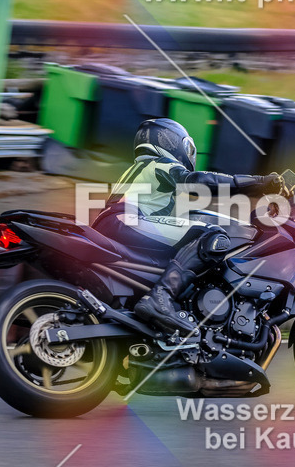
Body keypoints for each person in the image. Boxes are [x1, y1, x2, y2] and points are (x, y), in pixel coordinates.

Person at [95, 118, 283, 337]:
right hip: (126, 221)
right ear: (172, 142)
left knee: (193, 235)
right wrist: (259, 182)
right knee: (212, 235)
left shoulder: (140, 169)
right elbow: (199, 182)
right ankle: (161, 298)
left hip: (116, 223)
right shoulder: (160, 163)